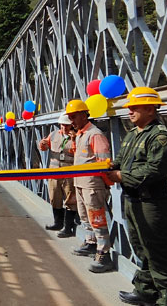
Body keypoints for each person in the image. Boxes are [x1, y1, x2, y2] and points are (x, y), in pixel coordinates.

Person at [105, 87, 167, 306]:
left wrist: (121, 175)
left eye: (133, 107)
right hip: (134, 200)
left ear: (150, 109)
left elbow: (156, 169)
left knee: (158, 251)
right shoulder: (133, 134)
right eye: (128, 107)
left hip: (153, 203)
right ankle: (145, 291)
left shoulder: (160, 137)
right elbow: (121, 160)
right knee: (141, 248)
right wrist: (109, 166)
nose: (129, 111)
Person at [66, 99, 113, 273]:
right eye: (70, 117)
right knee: (85, 215)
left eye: (74, 116)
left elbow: (104, 161)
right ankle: (91, 243)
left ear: (85, 114)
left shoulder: (95, 134)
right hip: (80, 182)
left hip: (92, 183)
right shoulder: (80, 135)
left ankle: (104, 253)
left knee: (97, 218)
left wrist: (106, 183)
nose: (71, 120)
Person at [38, 113, 77, 237]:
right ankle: (58, 223)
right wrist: (42, 145)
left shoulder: (76, 136)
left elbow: (81, 152)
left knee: (70, 199)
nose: (64, 127)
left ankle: (68, 227)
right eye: (62, 125)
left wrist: (75, 140)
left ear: (71, 124)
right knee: (55, 197)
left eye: (66, 125)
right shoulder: (54, 134)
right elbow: (44, 148)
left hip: (69, 172)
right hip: (54, 171)